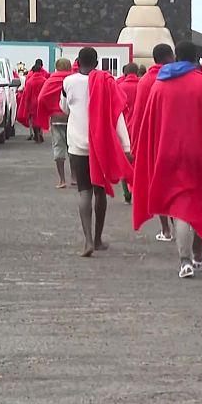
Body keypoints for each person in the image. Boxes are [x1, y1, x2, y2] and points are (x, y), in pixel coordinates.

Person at [132, 41, 202, 279]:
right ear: (195, 59)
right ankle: (199, 256)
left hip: (168, 154)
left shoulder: (160, 86)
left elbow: (151, 123)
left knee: (179, 208)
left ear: (176, 57)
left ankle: (185, 261)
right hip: (199, 153)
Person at [61, 47, 133, 257]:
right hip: (100, 144)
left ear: (78, 61)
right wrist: (126, 146)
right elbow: (117, 114)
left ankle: (88, 241)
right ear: (97, 62)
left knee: (84, 190)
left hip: (77, 144)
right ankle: (99, 239)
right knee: (99, 190)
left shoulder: (68, 82)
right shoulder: (107, 82)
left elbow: (64, 107)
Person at [130, 44, 176, 241]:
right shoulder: (176, 78)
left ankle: (166, 229)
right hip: (175, 140)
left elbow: (139, 114)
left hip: (153, 142)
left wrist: (136, 143)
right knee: (177, 186)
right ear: (168, 58)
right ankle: (182, 223)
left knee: (159, 186)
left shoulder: (146, 80)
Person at [38, 57, 77, 188]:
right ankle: (74, 177)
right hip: (72, 118)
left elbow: (41, 98)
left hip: (56, 119)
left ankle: (62, 180)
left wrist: (50, 108)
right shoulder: (73, 80)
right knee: (72, 148)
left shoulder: (51, 80)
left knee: (58, 147)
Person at [118, 62, 140, 204]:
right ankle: (137, 189)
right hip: (139, 128)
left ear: (125, 73)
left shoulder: (119, 87)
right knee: (139, 162)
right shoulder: (142, 86)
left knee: (124, 161)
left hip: (124, 129)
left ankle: (126, 192)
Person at [23, 60, 48, 143]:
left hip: (33, 103)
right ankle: (40, 132)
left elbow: (27, 94)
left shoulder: (30, 82)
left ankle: (36, 133)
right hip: (42, 102)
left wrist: (26, 106)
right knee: (41, 118)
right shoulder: (44, 80)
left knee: (33, 119)